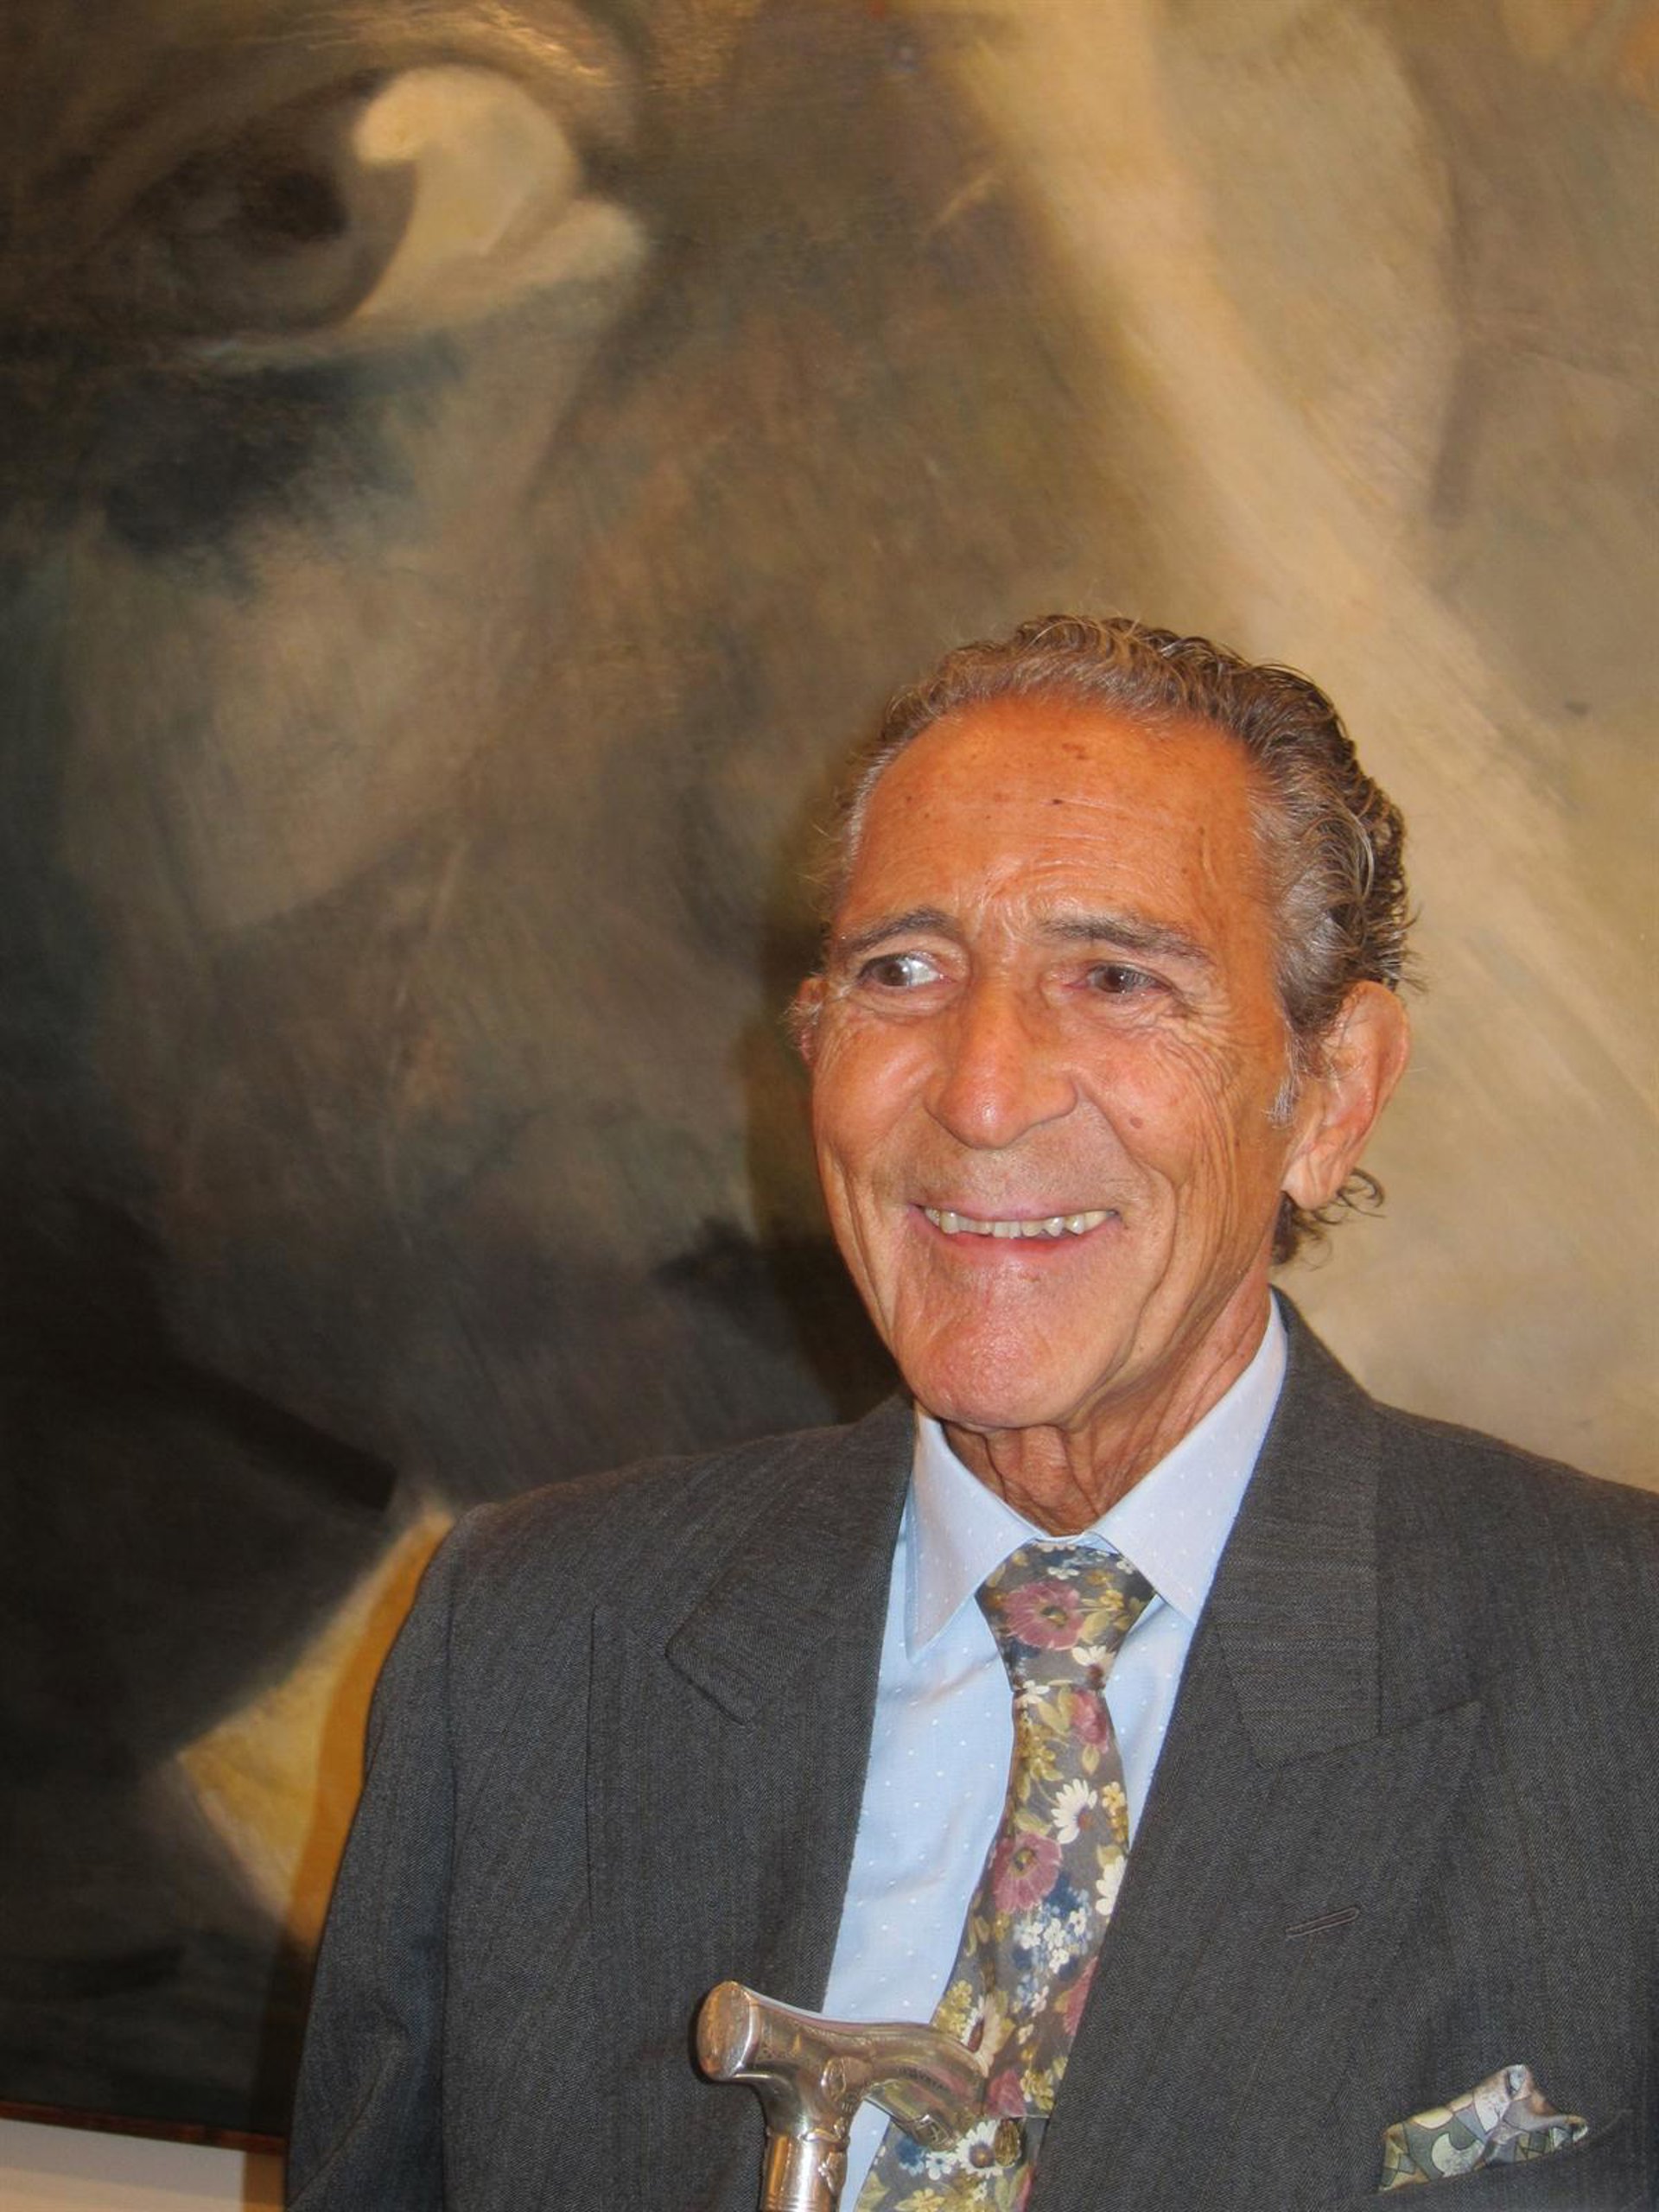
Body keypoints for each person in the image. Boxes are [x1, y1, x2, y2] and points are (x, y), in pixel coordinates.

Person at [286, 616, 1656, 2210]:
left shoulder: (1615, 1673)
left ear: (1329, 1093)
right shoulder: (533, 1638)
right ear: (813, 1045)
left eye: (1118, 978)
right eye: (904, 972)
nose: (982, 1092)